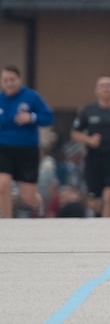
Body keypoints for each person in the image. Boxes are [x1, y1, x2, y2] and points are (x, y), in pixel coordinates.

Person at [0, 65, 51, 217]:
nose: (9, 83)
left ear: (19, 80)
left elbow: (48, 118)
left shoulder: (32, 97)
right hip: (4, 149)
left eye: (12, 80)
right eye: (5, 80)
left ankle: (37, 203)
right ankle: (6, 221)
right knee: (3, 184)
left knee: (27, 197)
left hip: (27, 150)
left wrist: (31, 117)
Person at [73, 76, 110, 217]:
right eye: (102, 85)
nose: (106, 88)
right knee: (94, 202)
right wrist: (89, 139)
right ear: (96, 90)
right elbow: (75, 133)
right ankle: (97, 219)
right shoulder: (88, 111)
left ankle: (107, 228)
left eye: (109, 85)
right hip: (93, 159)